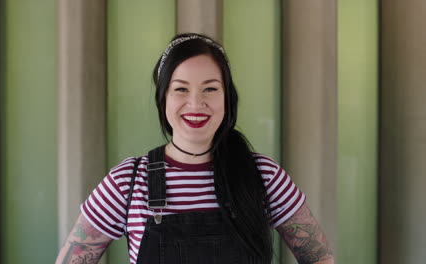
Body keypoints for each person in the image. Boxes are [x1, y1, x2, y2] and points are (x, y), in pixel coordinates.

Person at [55, 33, 334, 264]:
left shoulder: (264, 175)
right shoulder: (128, 181)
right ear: (163, 98)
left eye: (210, 89)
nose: (196, 103)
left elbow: (320, 259)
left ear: (227, 98)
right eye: (181, 89)